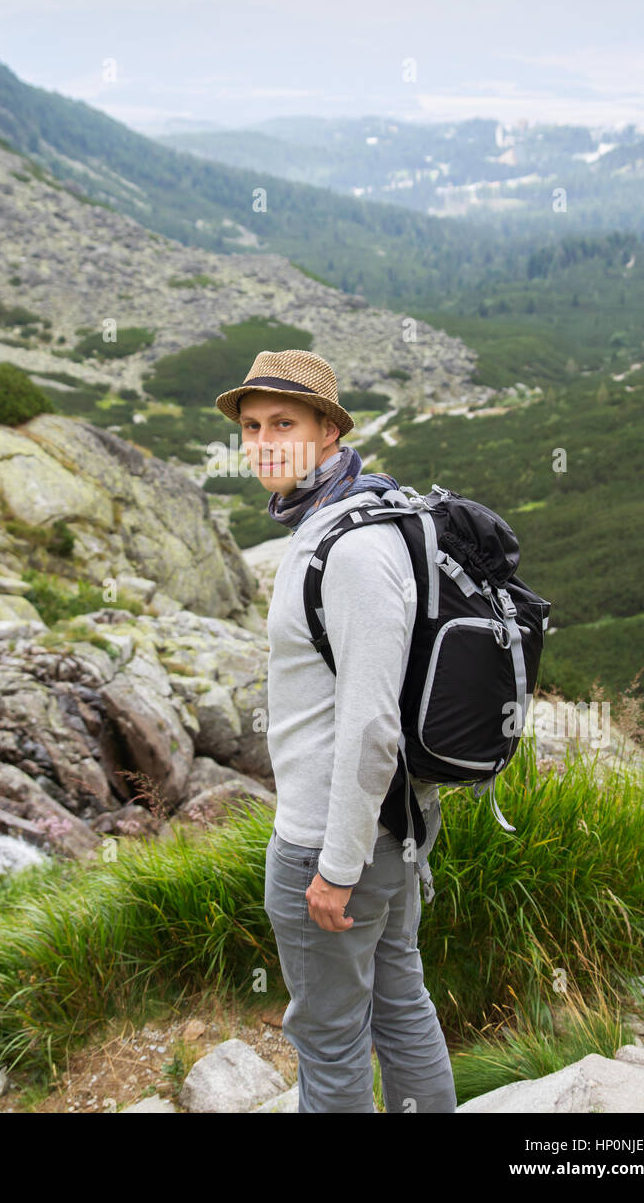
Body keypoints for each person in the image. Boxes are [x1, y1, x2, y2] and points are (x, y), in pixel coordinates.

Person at [215, 348, 457, 1114]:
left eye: (283, 423)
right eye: (251, 427)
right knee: (399, 1005)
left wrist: (336, 867)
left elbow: (371, 725)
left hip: (333, 845)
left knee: (329, 1041)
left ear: (328, 431)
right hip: (393, 833)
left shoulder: (350, 547)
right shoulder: (348, 518)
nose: (262, 443)